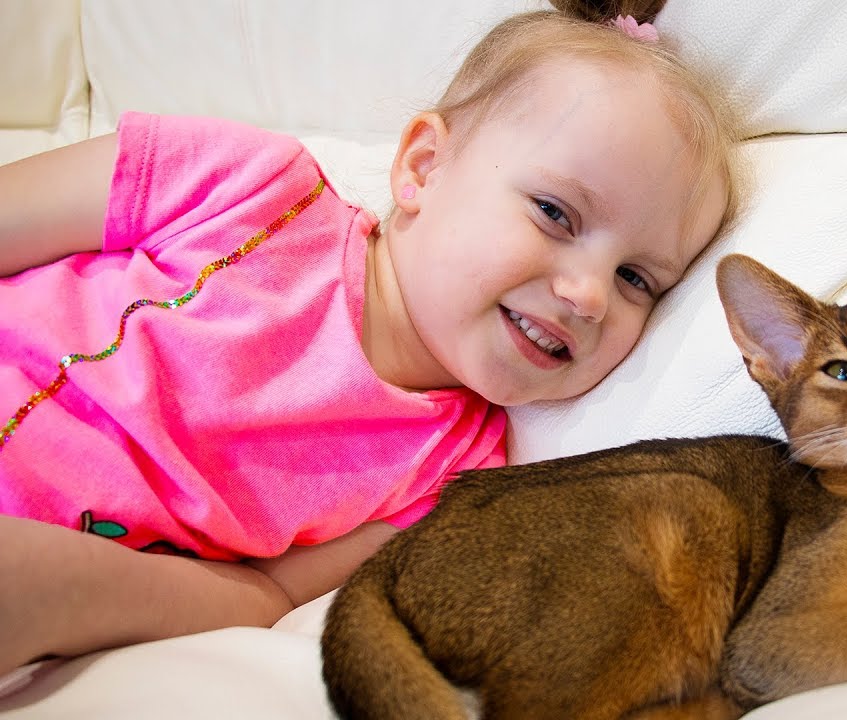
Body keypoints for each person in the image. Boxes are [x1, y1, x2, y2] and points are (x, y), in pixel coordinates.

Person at [0, 0, 742, 678]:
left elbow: (263, 599)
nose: (587, 295)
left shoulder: (456, 478)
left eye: (636, 279)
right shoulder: (250, 187)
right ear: (424, 166)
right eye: (555, 213)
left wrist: (68, 594)